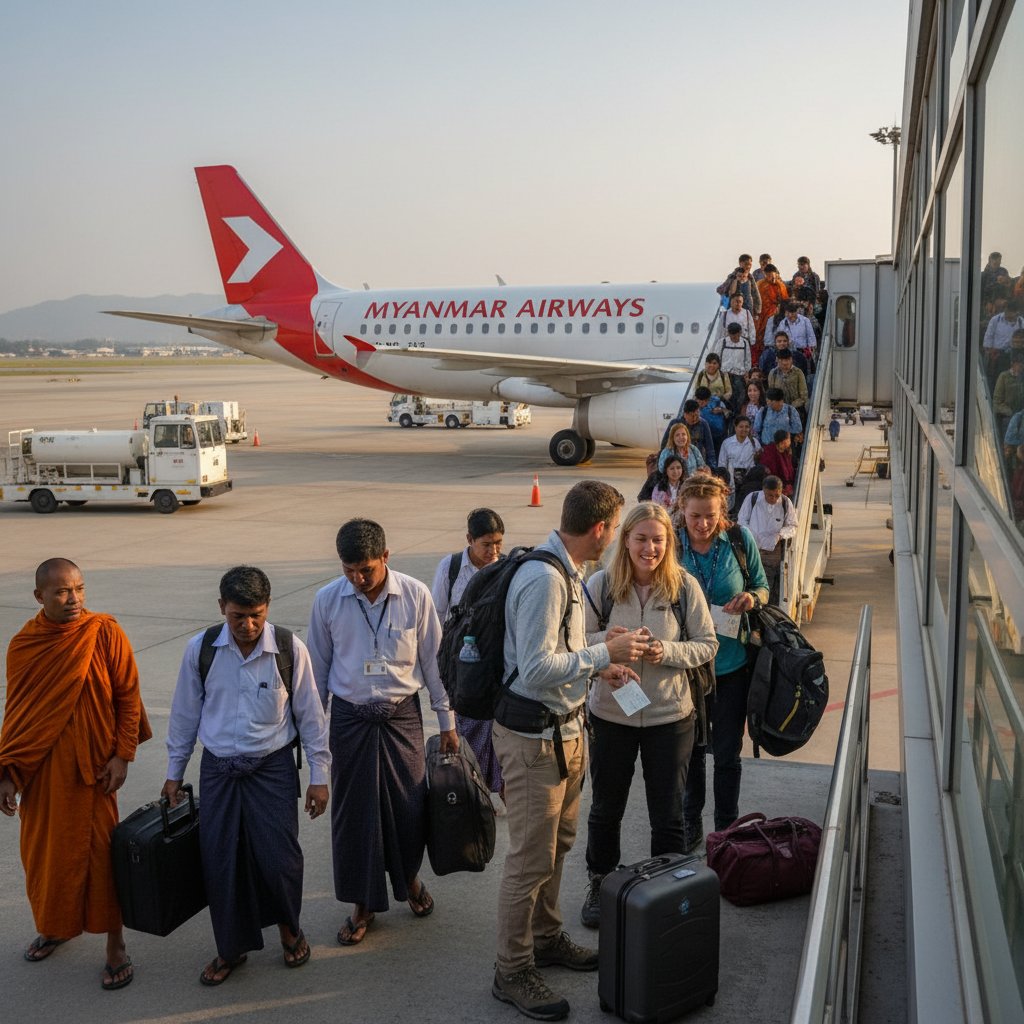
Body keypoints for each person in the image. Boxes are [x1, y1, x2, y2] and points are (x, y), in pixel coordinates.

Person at [491, 481, 648, 1021]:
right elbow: (535, 668)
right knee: (529, 860)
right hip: (534, 740)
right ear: (601, 529)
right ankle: (511, 969)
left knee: (558, 847)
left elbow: (561, 652)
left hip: (566, 731)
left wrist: (600, 660)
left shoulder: (571, 574)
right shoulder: (545, 579)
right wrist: (603, 649)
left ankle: (547, 937)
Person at [162, 566, 331, 985]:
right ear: (222, 608)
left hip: (271, 769)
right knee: (221, 861)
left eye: (256, 614)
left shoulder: (290, 650)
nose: (248, 625)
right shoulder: (199, 651)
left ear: (267, 607)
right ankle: (231, 947)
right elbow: (184, 716)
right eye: (238, 615)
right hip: (218, 771)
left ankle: (290, 930)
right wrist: (173, 772)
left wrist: (319, 775)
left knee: (278, 859)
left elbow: (311, 717)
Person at [0, 558, 151, 991]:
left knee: (102, 859)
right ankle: (56, 924)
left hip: (93, 773)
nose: (75, 600)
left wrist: (122, 756)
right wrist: (8, 771)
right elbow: (19, 714)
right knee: (46, 858)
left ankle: (115, 944)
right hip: (43, 775)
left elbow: (128, 697)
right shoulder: (23, 645)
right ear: (39, 597)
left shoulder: (103, 633)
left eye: (80, 589)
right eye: (63, 592)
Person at [307, 518, 458, 947]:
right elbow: (317, 672)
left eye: (366, 570)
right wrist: (316, 741)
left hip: (402, 717)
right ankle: (362, 903)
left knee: (409, 807)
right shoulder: (327, 601)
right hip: (349, 721)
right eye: (349, 569)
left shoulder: (415, 595)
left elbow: (434, 662)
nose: (357, 579)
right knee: (354, 816)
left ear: (386, 558)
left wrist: (446, 720)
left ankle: (408, 880)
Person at [578, 503, 718, 928]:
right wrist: (607, 643)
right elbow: (574, 640)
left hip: (669, 718)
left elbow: (707, 643)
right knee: (606, 808)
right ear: (625, 541)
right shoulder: (600, 585)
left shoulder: (683, 588)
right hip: (611, 715)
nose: (650, 548)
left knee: (668, 813)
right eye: (641, 538)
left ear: (668, 544)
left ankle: (666, 891)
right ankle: (600, 884)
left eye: (658, 540)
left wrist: (668, 651)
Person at [675, 477, 769, 850]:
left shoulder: (739, 541)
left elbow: (762, 585)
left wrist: (750, 598)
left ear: (722, 511)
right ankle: (690, 819)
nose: (702, 524)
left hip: (731, 667)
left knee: (728, 753)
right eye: (695, 516)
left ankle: (726, 829)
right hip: (685, 670)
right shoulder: (672, 544)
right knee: (692, 751)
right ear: (682, 510)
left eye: (710, 516)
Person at [430, 508, 506, 794]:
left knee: (496, 732)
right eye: (487, 544)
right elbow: (436, 617)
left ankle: (497, 787)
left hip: (494, 667)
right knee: (466, 728)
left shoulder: (505, 567)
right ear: (469, 540)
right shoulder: (450, 568)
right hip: (461, 667)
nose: (494, 550)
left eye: (498, 543)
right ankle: (473, 791)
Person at [737, 476, 798, 604]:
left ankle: (765, 608)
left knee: (768, 582)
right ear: (763, 490)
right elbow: (742, 520)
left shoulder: (786, 503)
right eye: (770, 495)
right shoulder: (752, 498)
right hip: (752, 548)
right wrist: (752, 535)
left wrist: (780, 535)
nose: (773, 499)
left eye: (777, 495)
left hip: (772, 552)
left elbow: (793, 526)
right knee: (749, 579)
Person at [718, 415, 761, 495]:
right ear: (735, 427)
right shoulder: (727, 443)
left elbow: (759, 461)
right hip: (731, 481)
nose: (744, 429)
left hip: (749, 482)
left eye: (747, 427)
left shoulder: (755, 443)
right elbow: (722, 464)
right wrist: (723, 483)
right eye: (741, 426)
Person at [713, 320, 753, 402]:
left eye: (736, 335)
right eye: (731, 335)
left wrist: (747, 372)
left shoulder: (745, 343)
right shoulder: (722, 342)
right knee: (724, 398)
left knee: (740, 398)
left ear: (740, 333)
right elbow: (716, 358)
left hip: (739, 376)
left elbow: (748, 359)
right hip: (725, 375)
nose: (734, 337)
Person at [755, 264, 789, 350]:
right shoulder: (760, 284)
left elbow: (785, 301)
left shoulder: (781, 285)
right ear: (765, 274)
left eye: (773, 276)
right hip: (762, 314)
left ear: (776, 274)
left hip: (777, 314)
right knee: (760, 335)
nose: (772, 278)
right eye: (769, 276)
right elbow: (756, 301)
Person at [775, 302, 818, 366]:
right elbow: (779, 336)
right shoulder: (783, 323)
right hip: (789, 353)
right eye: (787, 313)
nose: (790, 315)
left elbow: (811, 337)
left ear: (796, 312)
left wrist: (811, 351)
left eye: (792, 313)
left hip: (803, 352)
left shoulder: (805, 321)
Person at [767, 349, 808, 414]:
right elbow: (771, 394)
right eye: (782, 360)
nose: (785, 363)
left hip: (796, 410)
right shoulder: (773, 373)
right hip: (778, 411)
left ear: (791, 359)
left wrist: (790, 407)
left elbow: (804, 397)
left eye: (787, 360)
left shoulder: (798, 372)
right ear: (777, 360)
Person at [759, 430, 797, 496]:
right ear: (782, 443)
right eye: (788, 440)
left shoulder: (786, 450)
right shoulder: (769, 452)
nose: (790, 442)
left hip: (786, 484)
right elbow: (770, 472)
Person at [695, 386, 730, 451]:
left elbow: (729, 413)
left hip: (721, 436)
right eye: (700, 401)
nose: (703, 403)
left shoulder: (717, 401)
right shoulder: (694, 407)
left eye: (705, 401)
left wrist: (722, 410)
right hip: (706, 438)